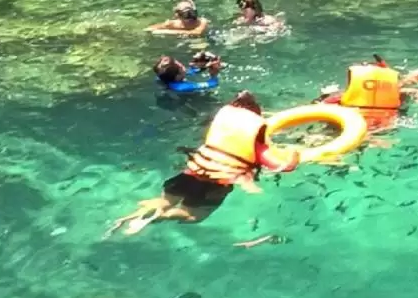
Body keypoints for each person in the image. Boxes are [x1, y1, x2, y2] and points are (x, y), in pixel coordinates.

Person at [107, 91, 301, 236]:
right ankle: (159, 217)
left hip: (187, 176)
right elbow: (283, 167)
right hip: (214, 186)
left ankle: (133, 215)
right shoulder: (256, 143)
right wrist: (295, 156)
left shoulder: (220, 128)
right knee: (194, 215)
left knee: (164, 200)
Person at [154, 51, 222, 92]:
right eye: (182, 67)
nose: (185, 68)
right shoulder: (183, 87)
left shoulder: (162, 75)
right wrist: (214, 74)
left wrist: (201, 67)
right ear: (177, 77)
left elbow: (187, 72)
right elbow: (213, 83)